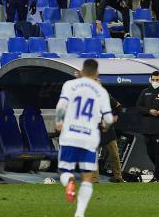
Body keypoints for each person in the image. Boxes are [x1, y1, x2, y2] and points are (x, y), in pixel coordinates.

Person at [55, 59, 113, 217]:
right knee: (88, 177)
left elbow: (61, 106)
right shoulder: (101, 91)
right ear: (97, 72)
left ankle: (70, 182)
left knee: (65, 171)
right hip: (89, 138)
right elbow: (108, 119)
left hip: (70, 135)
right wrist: (106, 124)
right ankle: (79, 213)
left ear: (82, 70)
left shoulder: (70, 85)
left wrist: (59, 122)